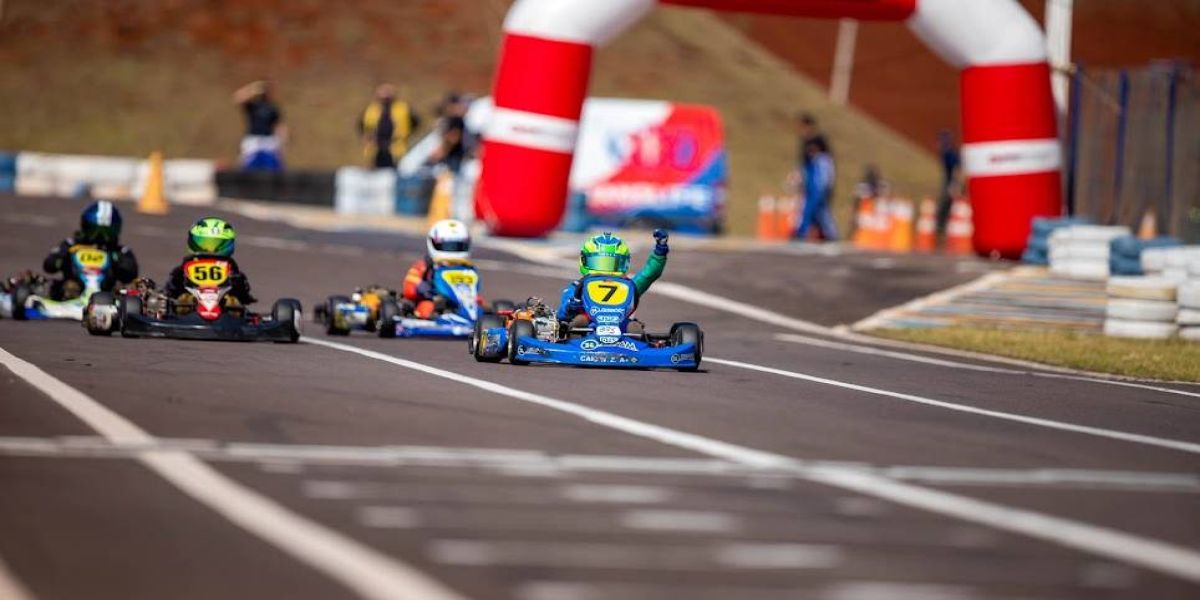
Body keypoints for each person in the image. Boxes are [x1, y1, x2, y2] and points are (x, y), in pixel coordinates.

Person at [556, 230, 669, 329]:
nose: (606, 270)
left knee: (632, 326)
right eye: (599, 263)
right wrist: (570, 307)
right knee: (581, 320)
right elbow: (561, 315)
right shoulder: (577, 288)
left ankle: (635, 341)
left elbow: (648, 274)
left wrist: (660, 252)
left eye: (612, 264)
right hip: (585, 330)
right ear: (584, 261)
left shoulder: (628, 287)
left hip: (620, 328)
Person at [42, 200, 139, 299]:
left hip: (107, 293)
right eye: (94, 230)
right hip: (71, 290)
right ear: (85, 227)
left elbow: (131, 274)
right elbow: (49, 266)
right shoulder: (70, 245)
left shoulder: (120, 251)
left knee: (126, 291)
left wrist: (118, 263)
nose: (100, 236)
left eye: (107, 232)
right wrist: (60, 259)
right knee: (62, 286)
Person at [164, 217, 255, 305]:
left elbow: (243, 294)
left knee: (234, 300)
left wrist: (235, 295)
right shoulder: (182, 269)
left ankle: (230, 308)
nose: (210, 249)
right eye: (203, 242)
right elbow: (170, 291)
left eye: (216, 244)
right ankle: (185, 304)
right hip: (189, 309)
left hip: (224, 310)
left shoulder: (233, 270)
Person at [402, 219, 474, 318]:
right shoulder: (425, 266)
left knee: (481, 308)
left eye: (457, 246)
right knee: (427, 307)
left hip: (465, 303)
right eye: (447, 246)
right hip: (432, 300)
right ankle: (438, 317)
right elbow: (409, 290)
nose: (452, 251)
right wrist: (423, 289)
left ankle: (476, 321)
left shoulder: (467, 269)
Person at [359, 84, 420, 169]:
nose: (386, 95)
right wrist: (367, 137)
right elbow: (361, 126)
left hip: (397, 150)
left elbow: (416, 123)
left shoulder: (403, 108)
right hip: (375, 151)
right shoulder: (370, 110)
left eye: (388, 91)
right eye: (382, 91)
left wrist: (406, 135)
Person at [233, 80, 287, 171]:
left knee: (272, 166)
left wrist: (282, 144)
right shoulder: (252, 106)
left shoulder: (273, 108)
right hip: (253, 139)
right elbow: (238, 98)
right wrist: (254, 88)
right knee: (247, 165)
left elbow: (279, 126)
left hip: (268, 140)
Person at [795, 139, 839, 241]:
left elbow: (827, 177)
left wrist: (826, 189)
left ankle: (831, 234)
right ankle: (803, 232)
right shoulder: (811, 161)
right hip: (812, 191)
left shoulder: (823, 160)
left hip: (819, 191)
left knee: (820, 213)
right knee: (814, 213)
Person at [935, 129, 962, 237]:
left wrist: (955, 185)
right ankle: (941, 226)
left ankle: (942, 227)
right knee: (945, 204)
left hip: (951, 183)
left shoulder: (949, 155)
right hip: (950, 182)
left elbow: (956, 170)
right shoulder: (948, 154)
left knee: (947, 204)